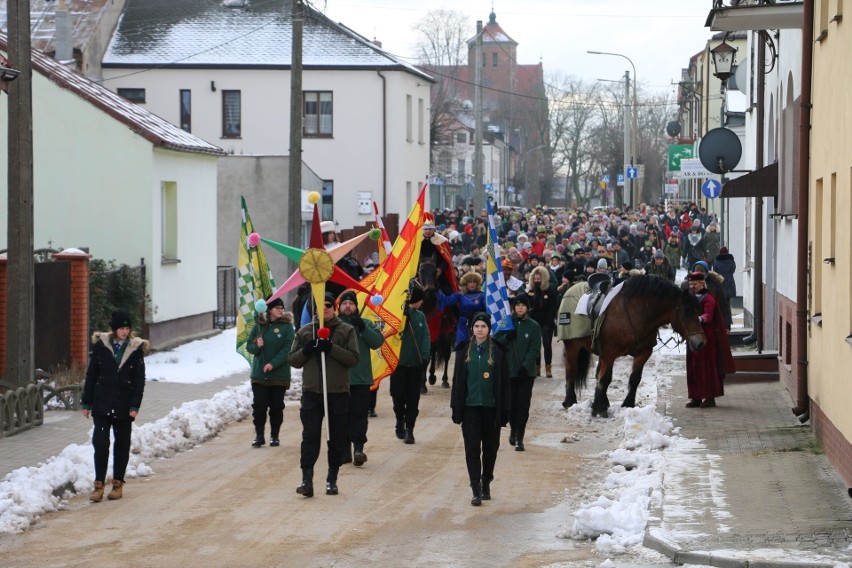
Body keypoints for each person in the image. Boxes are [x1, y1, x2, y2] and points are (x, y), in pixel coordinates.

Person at [289, 292, 360, 497]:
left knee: (336, 437)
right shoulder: (305, 332)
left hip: (337, 392)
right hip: (312, 392)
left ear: (334, 308)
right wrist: (307, 350)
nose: (325, 308)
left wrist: (331, 348)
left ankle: (332, 478)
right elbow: (293, 360)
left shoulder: (346, 331)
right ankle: (306, 480)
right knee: (310, 436)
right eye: (321, 305)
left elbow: (354, 358)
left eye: (329, 304)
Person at [82, 309, 149, 502]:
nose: (125, 332)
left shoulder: (136, 350)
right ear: (114, 329)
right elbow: (91, 375)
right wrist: (87, 403)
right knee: (100, 444)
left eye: (127, 328)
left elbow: (139, 381)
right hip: (102, 404)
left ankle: (118, 484)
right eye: (121, 328)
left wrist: (135, 405)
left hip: (124, 406)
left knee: (122, 445)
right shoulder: (102, 347)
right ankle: (98, 485)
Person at [450, 313, 511, 506]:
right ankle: (475, 487)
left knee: (491, 448)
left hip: (491, 408)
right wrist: (456, 407)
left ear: (489, 329)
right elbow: (457, 381)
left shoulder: (498, 351)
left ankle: (487, 480)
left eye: (483, 326)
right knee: (472, 448)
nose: (479, 329)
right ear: (472, 329)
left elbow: (504, 383)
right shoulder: (463, 350)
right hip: (470, 408)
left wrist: (505, 411)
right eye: (476, 326)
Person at [336, 290, 384, 465]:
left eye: (351, 303)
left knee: (359, 416)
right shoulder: (333, 325)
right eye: (344, 304)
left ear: (356, 306)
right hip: (339, 380)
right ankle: (344, 450)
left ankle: (358, 449)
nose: (348, 306)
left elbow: (378, 342)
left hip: (361, 379)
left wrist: (363, 328)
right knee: (340, 416)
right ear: (339, 307)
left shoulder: (365, 323)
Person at [246, 297, 295, 447]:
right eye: (277, 308)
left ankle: (275, 435)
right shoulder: (259, 326)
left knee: (276, 407)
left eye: (282, 307)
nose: (281, 310)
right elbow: (249, 347)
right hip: (259, 375)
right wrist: (257, 345)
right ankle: (259, 435)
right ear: (269, 310)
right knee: (259, 406)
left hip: (279, 375)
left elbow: (287, 350)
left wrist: (273, 364)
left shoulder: (287, 328)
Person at [494, 294, 541, 452]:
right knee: (510, 405)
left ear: (528, 307)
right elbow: (495, 342)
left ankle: (520, 437)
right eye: (517, 305)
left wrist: (526, 366)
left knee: (523, 405)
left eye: (523, 305)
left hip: (526, 374)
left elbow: (535, 349)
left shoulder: (534, 326)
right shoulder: (506, 322)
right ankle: (513, 430)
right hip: (509, 371)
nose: (520, 308)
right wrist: (507, 337)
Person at [685, 272, 735, 408]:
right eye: (691, 284)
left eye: (695, 284)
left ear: (702, 283)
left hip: (707, 338)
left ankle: (709, 397)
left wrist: (698, 319)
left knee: (707, 367)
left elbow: (708, 315)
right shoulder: (689, 296)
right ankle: (695, 397)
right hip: (693, 336)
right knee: (693, 367)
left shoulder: (709, 297)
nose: (692, 286)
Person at [390, 283, 431, 444]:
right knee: (398, 397)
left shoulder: (421, 316)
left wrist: (425, 357)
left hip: (415, 366)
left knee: (413, 399)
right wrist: (403, 317)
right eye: (420, 299)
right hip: (398, 365)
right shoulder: (399, 315)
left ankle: (410, 429)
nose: (422, 303)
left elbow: (425, 338)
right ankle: (399, 420)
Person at [437, 271, 486, 349]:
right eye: (470, 282)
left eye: (474, 282)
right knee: (462, 348)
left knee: (478, 348)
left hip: (478, 324)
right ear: (466, 283)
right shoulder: (460, 294)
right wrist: (437, 290)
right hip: (463, 325)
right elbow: (446, 301)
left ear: (477, 284)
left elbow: (489, 309)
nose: (472, 284)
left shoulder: (482, 295)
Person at [526, 266, 557, 377]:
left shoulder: (551, 292)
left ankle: (548, 367)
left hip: (547, 322)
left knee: (547, 345)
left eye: (539, 279)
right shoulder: (531, 292)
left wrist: (548, 324)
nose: (537, 281)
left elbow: (553, 309)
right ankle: (537, 367)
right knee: (535, 346)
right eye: (535, 279)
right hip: (534, 323)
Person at [713, 246, 737, 330]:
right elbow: (733, 270)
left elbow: (715, 271)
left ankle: (720, 323)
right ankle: (728, 323)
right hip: (729, 285)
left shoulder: (716, 261)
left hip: (719, 285)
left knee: (719, 305)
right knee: (727, 305)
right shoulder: (731, 261)